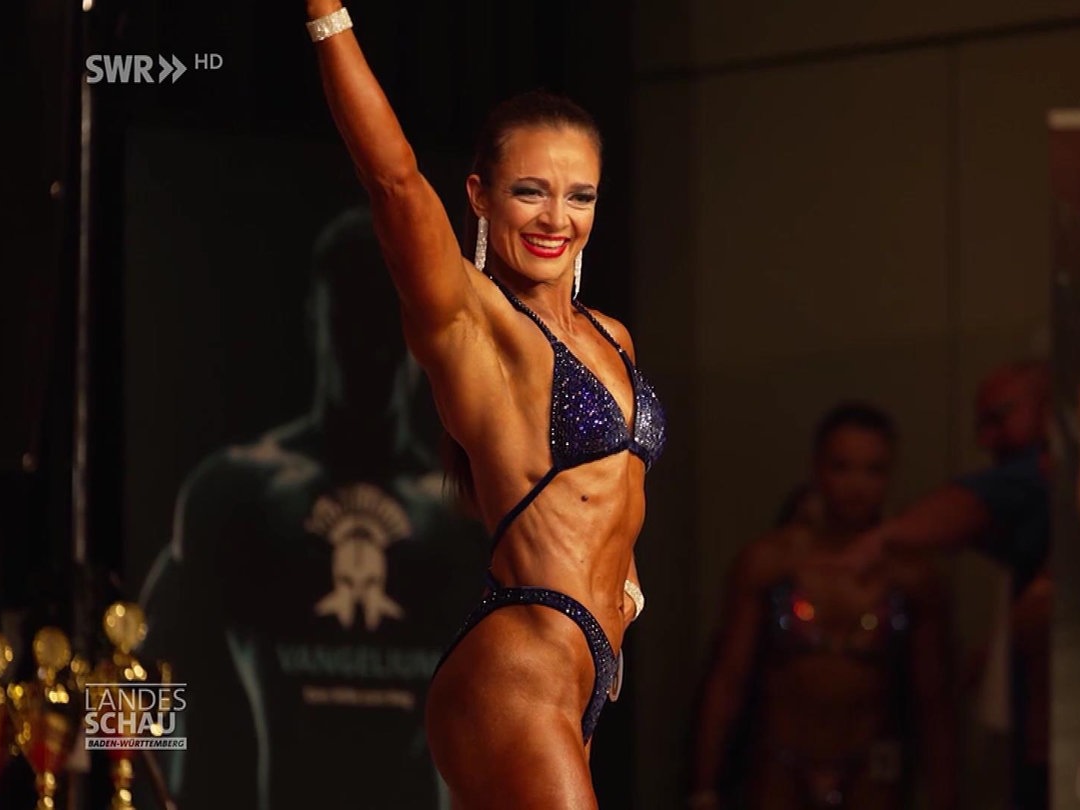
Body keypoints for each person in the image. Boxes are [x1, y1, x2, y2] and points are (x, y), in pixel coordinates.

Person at [306, 3, 666, 807]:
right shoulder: (474, 325)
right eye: (530, 192)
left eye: (580, 196)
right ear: (480, 194)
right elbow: (394, 179)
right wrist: (327, 15)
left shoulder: (613, 338)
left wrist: (627, 582)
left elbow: (610, 488)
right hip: (519, 662)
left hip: (583, 672)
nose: (556, 218)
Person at [137, 208, 489, 810]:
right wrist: (142, 796)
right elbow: (144, 664)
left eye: (388, 321)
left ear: (417, 330)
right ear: (316, 322)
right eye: (349, 320)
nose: (369, 347)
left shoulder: (464, 513)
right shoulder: (234, 493)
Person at [692, 404, 958, 810]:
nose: (857, 486)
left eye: (873, 470)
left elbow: (933, 699)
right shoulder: (768, 562)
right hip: (779, 767)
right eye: (842, 467)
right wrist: (704, 788)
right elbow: (728, 680)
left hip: (871, 769)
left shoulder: (912, 576)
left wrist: (946, 795)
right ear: (817, 469)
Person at [847, 360, 1052, 810]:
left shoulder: (1044, 473)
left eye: (999, 418)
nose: (986, 439)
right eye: (981, 426)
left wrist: (885, 538)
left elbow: (977, 502)